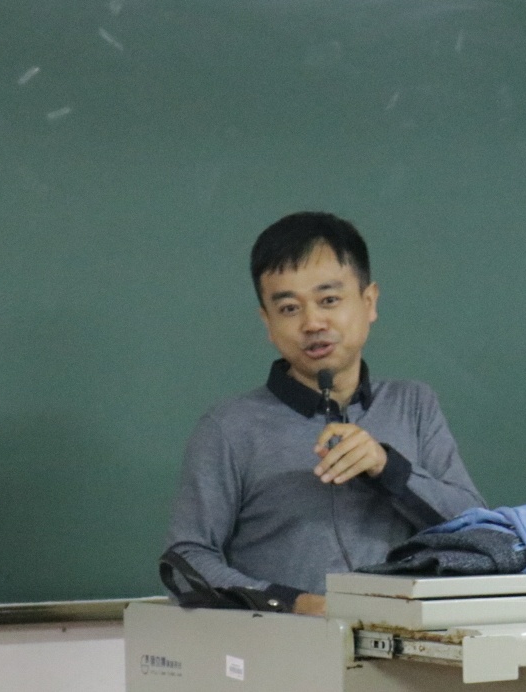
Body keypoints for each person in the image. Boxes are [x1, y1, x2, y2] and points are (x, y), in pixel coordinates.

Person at [164, 212, 484, 616]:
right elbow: (186, 561)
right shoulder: (229, 427)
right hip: (283, 642)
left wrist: (388, 467)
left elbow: (479, 533)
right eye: (289, 308)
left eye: (329, 300)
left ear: (369, 302)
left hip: (406, 638)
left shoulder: (414, 405)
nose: (313, 323)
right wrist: (296, 603)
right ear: (267, 322)